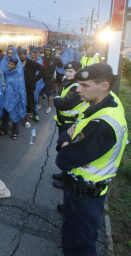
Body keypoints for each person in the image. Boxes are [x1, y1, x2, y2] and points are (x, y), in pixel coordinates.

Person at [56, 63, 127, 256]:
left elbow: (63, 159)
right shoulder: (103, 102)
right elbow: (69, 134)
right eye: (79, 83)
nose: (78, 89)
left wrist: (66, 143)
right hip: (80, 188)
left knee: (79, 245)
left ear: (104, 85)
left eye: (85, 85)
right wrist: (67, 141)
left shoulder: (102, 124)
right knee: (76, 236)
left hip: (86, 196)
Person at [52, 61, 84, 191]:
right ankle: (64, 173)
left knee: (68, 151)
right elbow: (61, 99)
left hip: (71, 124)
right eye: (66, 71)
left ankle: (67, 179)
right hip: (64, 122)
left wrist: (56, 99)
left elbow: (64, 103)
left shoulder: (76, 86)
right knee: (63, 149)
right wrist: (58, 99)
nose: (67, 73)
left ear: (77, 72)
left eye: (71, 71)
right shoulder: (68, 83)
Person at [0, 47, 27, 141]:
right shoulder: (5, 68)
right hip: (6, 95)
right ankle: (5, 129)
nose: (9, 65)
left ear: (15, 65)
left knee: (15, 113)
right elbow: (1, 80)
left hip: (16, 96)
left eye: (11, 64)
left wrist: (21, 97)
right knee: (5, 113)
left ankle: (15, 132)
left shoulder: (18, 71)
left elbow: (21, 85)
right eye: (8, 53)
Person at [19, 48, 44, 128]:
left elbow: (43, 70)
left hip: (29, 87)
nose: (22, 56)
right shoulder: (17, 63)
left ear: (26, 55)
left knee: (28, 103)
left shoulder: (31, 63)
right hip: (19, 87)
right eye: (21, 54)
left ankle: (27, 120)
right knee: (18, 102)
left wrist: (35, 79)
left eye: (24, 54)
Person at [39, 46, 63, 114]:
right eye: (46, 50)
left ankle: (49, 107)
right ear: (44, 51)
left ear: (50, 51)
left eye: (48, 50)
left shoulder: (54, 58)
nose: (47, 52)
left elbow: (60, 66)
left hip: (49, 79)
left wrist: (59, 59)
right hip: (41, 78)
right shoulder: (42, 58)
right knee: (40, 93)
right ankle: (39, 105)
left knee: (49, 94)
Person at [29, 46, 44, 123]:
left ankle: (36, 114)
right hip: (27, 82)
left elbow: (41, 72)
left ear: (38, 53)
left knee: (35, 99)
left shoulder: (39, 60)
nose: (34, 54)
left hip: (36, 83)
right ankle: (25, 115)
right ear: (30, 52)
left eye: (36, 52)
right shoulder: (26, 59)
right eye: (33, 52)